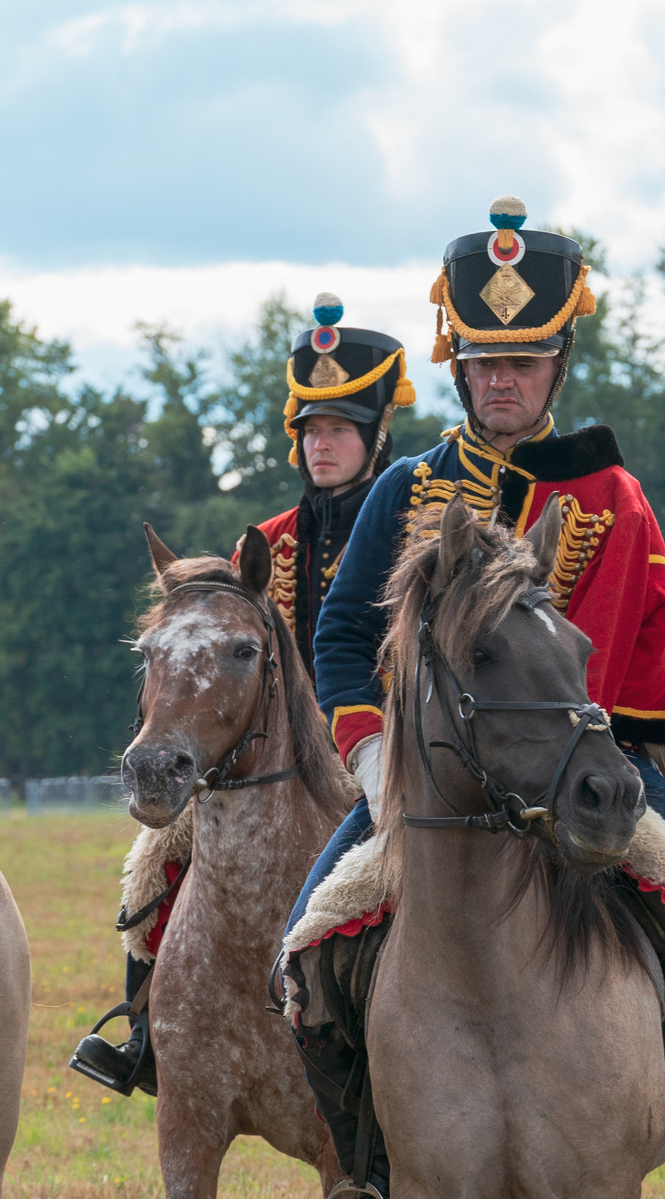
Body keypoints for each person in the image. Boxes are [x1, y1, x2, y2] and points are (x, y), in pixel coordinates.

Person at [284, 197, 665, 1199]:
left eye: (522, 361)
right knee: (304, 945)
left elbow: (636, 646)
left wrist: (593, 762)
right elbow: (340, 636)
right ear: (457, 367)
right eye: (482, 362)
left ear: (556, 365)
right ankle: (368, 1180)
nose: (501, 381)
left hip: (590, 777)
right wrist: (371, 750)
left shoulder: (613, 495)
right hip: (425, 790)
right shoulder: (405, 488)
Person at [69, 294, 412, 1097]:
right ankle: (145, 1029)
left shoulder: (408, 532)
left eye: (338, 430)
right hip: (262, 754)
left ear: (374, 437)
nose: (321, 445)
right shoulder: (269, 539)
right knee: (156, 860)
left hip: (381, 748)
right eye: (310, 432)